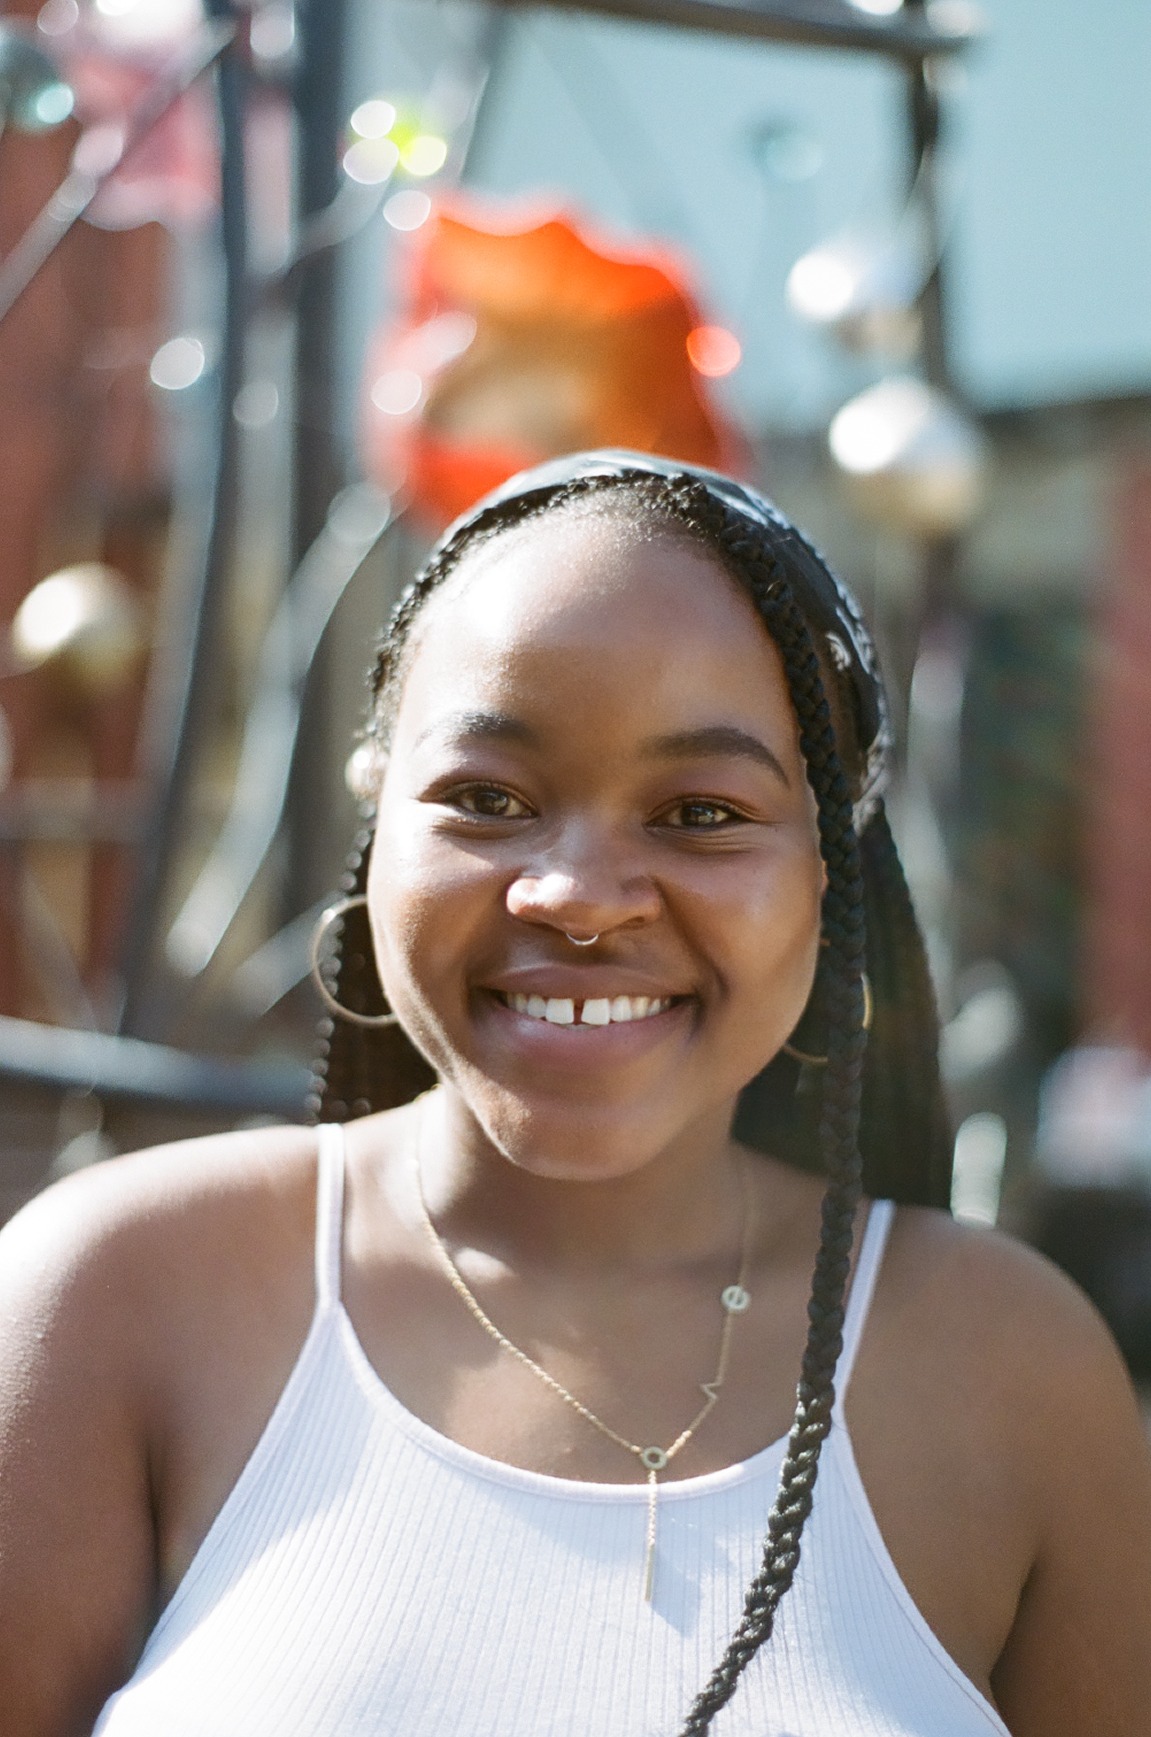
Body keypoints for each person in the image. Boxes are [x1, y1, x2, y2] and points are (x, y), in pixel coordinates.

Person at [1, 451, 1149, 1737]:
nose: (580, 894)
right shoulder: (112, 1294)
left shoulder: (1013, 1372)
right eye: (487, 799)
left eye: (701, 813)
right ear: (379, 827)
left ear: (829, 878)